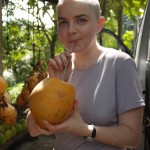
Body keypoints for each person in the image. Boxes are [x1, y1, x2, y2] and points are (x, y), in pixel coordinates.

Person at [27, 0, 145, 149]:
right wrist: (52, 81)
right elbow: (33, 130)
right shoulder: (60, 68)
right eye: (63, 22)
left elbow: (133, 138)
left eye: (81, 20)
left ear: (99, 24)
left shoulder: (120, 64)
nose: (71, 30)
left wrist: (86, 130)